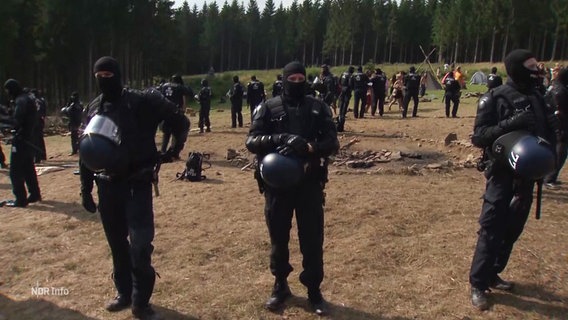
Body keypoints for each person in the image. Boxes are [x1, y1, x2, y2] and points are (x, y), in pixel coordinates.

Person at [80, 56, 185, 320]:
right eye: (99, 75)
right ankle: (124, 293)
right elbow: (87, 150)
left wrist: (173, 150)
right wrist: (85, 188)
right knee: (117, 244)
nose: (104, 80)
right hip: (107, 185)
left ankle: (141, 301)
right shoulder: (95, 107)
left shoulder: (142, 101)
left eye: (108, 74)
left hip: (136, 184)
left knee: (139, 244)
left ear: (118, 75)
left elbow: (178, 120)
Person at [245, 61, 339, 316]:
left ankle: (314, 291)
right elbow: (252, 141)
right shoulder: (268, 107)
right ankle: (280, 285)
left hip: (309, 184)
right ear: (284, 80)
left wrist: (309, 147)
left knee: (312, 239)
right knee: (278, 238)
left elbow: (332, 142)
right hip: (277, 187)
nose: (297, 83)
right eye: (292, 79)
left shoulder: (319, 108)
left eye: (301, 79)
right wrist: (280, 139)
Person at [469, 49, 559, 311]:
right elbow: (479, 137)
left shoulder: (538, 97)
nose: (537, 70)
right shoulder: (495, 99)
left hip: (527, 179)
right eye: (532, 67)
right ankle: (478, 283)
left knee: (512, 230)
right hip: (502, 175)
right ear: (518, 69)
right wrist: (510, 123)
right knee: (491, 229)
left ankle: (493, 273)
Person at [2, 79, 42, 207]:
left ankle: (20, 199)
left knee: (15, 171)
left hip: (22, 139)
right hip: (29, 138)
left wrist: (3, 121)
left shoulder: (21, 100)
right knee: (28, 168)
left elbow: (16, 120)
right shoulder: (27, 97)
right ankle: (35, 194)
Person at [543, 68, 568, 188]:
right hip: (560, 126)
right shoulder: (561, 91)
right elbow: (561, 110)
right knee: (560, 152)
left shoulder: (554, 87)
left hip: (554, 125)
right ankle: (549, 178)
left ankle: (549, 177)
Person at [159, 74, 192, 159]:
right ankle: (174, 153)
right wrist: (182, 110)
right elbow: (186, 95)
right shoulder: (180, 87)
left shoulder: (164, 86)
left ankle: (163, 151)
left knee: (166, 134)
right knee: (182, 129)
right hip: (175, 113)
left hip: (164, 113)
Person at [30, 89, 47, 163]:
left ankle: (37, 157)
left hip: (36, 122)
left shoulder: (35, 101)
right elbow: (44, 110)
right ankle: (43, 155)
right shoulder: (42, 100)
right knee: (40, 139)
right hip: (40, 121)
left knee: (35, 140)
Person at [336, 66, 354, 132]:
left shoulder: (343, 73)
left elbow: (339, 81)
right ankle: (342, 116)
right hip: (347, 91)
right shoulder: (350, 76)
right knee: (345, 104)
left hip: (342, 89)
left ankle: (340, 114)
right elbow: (350, 84)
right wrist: (351, 88)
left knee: (341, 103)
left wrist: (342, 87)